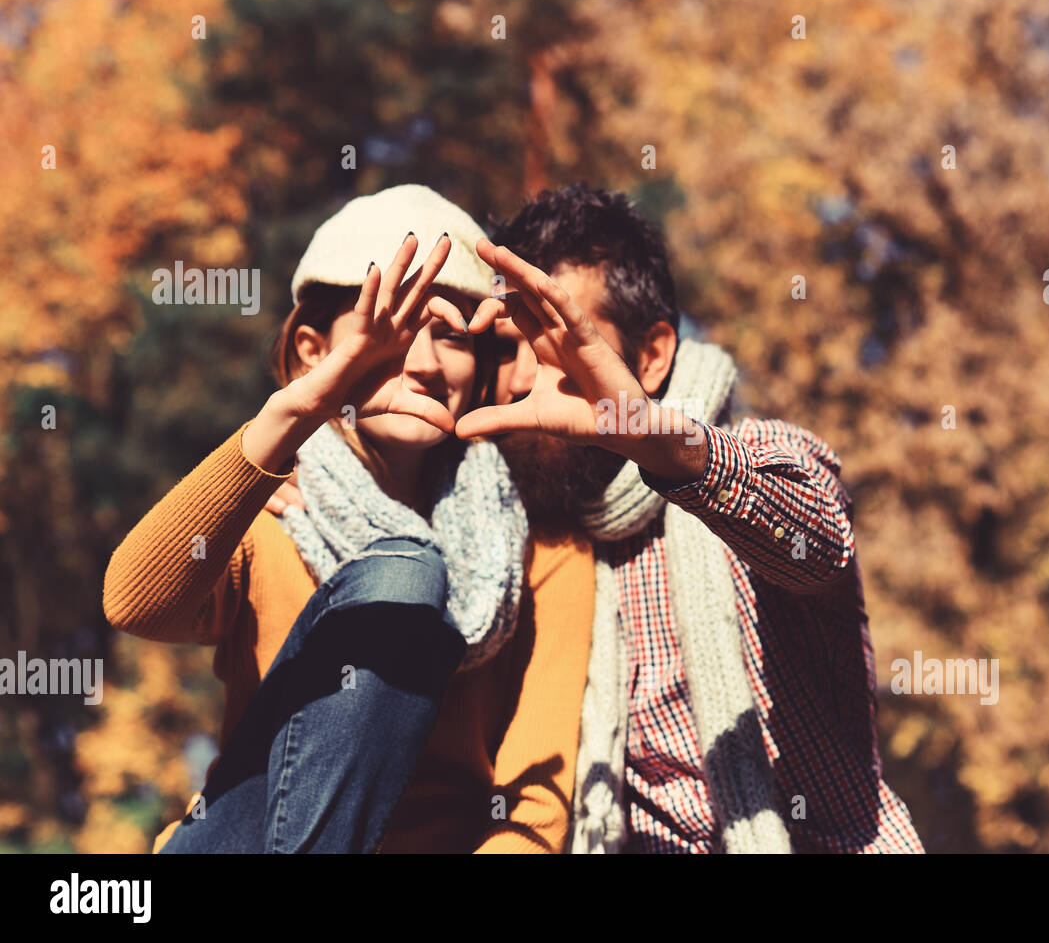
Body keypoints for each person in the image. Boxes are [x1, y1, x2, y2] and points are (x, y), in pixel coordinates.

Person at [102, 185, 593, 853]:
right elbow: (133, 603)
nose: (425, 363)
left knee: (408, 570)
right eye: (393, 330)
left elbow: (536, 809)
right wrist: (295, 413)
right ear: (312, 349)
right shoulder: (265, 508)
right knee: (406, 573)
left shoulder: (544, 549)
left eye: (450, 335)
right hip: (243, 839)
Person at [465, 184, 925, 853]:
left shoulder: (757, 452)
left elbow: (821, 543)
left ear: (652, 356)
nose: (521, 380)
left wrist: (659, 442)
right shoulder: (529, 533)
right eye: (510, 348)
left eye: (558, 342)